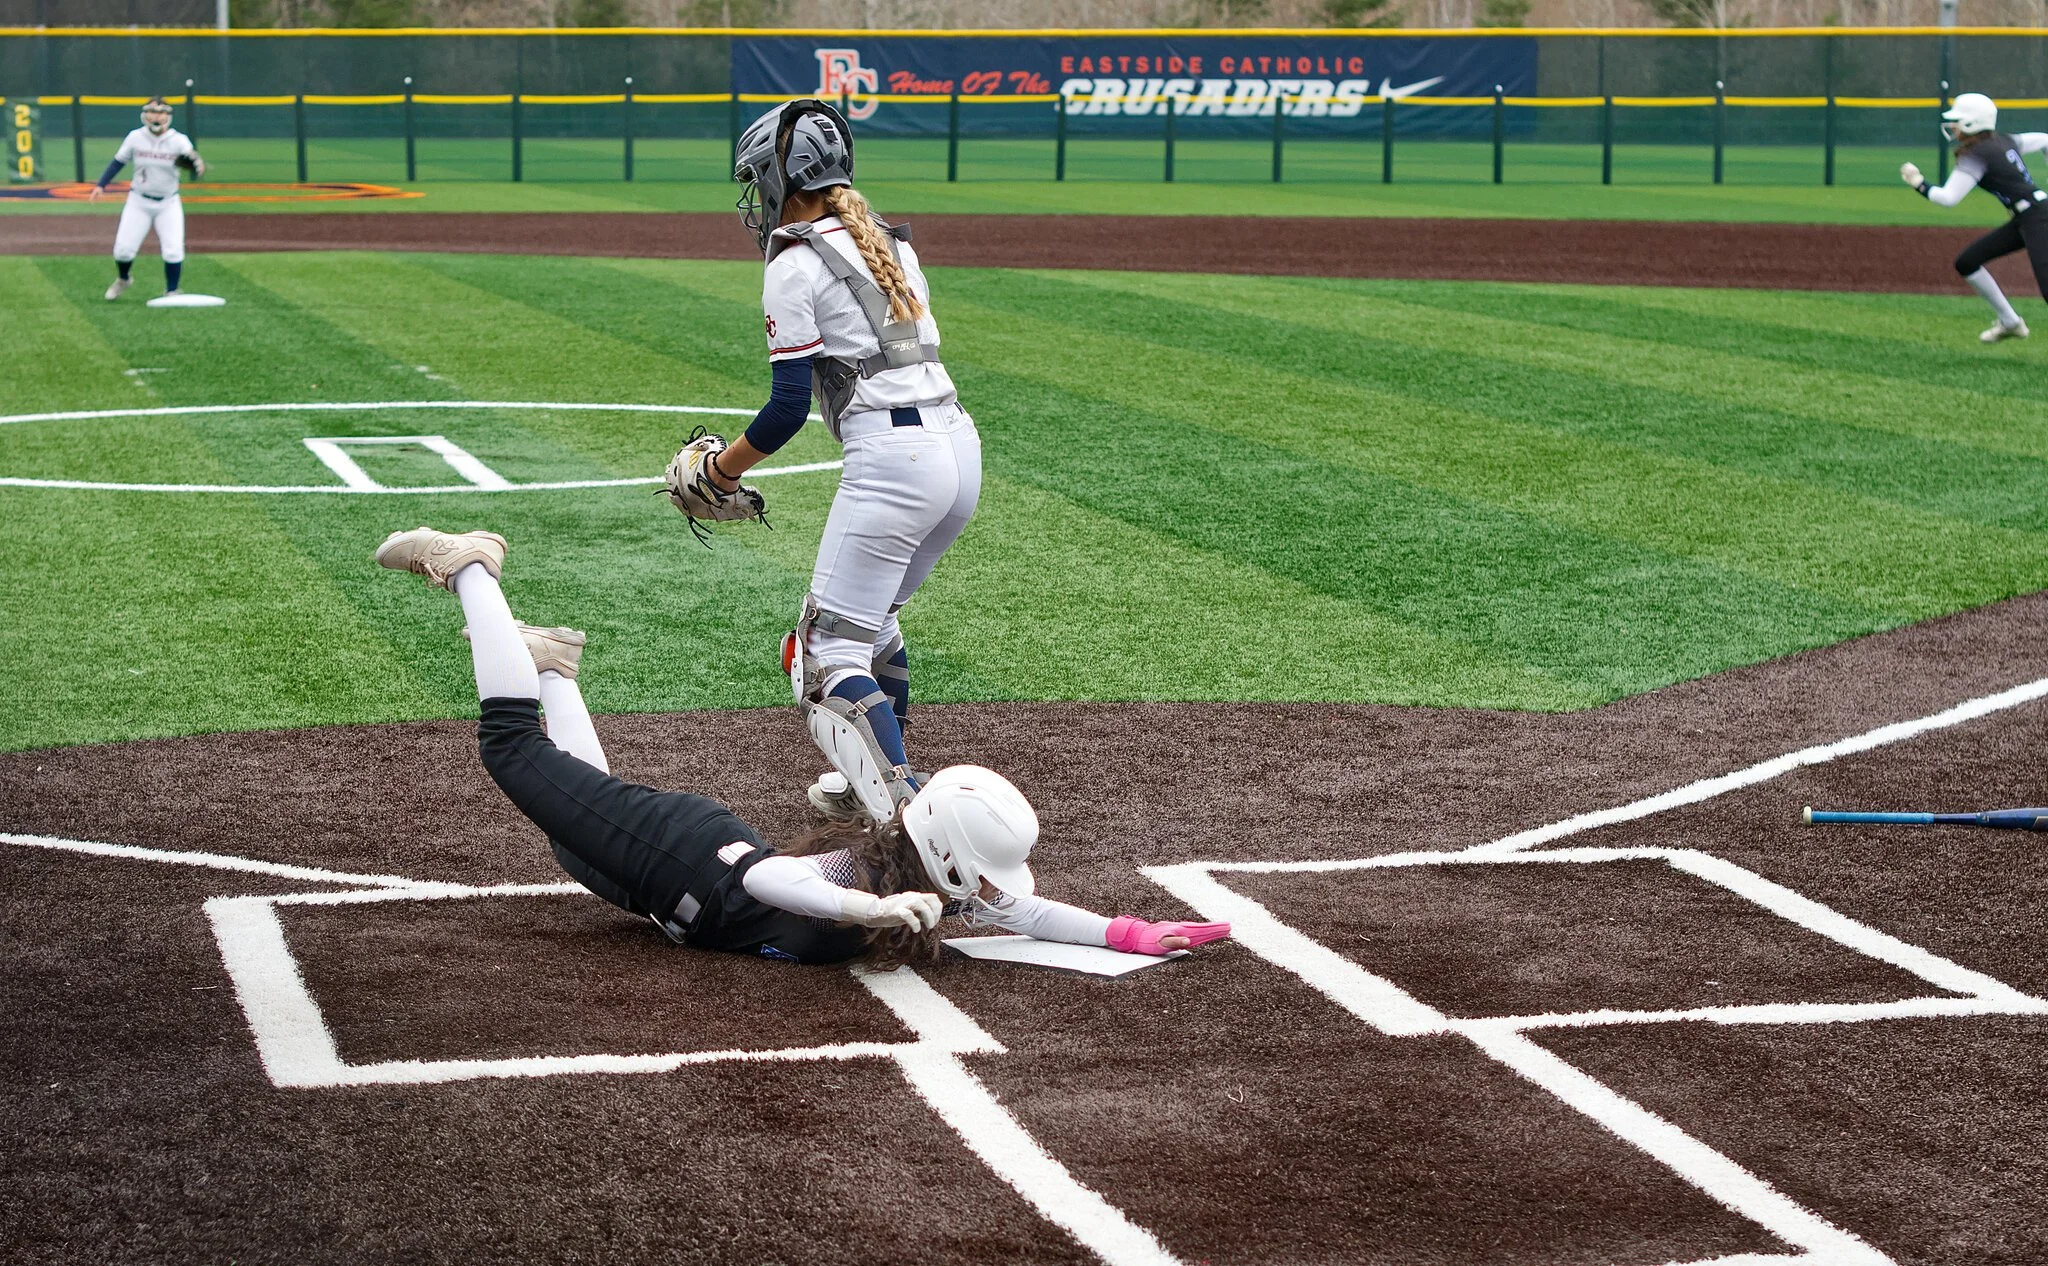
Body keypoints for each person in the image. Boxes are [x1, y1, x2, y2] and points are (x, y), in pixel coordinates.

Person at [373, 526, 1231, 967]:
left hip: (656, 894)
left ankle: (551, 669)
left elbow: (1033, 915)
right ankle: (471, 565)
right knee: (512, 750)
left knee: (572, 820)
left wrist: (1131, 934)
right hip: (682, 859)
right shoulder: (863, 880)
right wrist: (873, 911)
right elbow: (767, 879)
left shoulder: (937, 881)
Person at [663, 98, 975, 829]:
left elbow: (785, 410)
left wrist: (720, 472)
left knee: (826, 651)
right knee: (874, 627)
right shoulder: (892, 246)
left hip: (896, 462)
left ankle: (904, 818)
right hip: (959, 450)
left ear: (781, 175)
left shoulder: (795, 262)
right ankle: (861, 780)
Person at [1902, 91, 2048, 343]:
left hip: (2038, 218)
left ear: (1972, 123)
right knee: (1967, 262)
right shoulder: (2003, 140)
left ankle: (2011, 323)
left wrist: (1919, 184)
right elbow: (2046, 140)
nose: (1953, 125)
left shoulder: (1978, 153)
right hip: (2029, 216)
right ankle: (2010, 322)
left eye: (1958, 120)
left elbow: (1949, 198)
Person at [89, 95, 204, 302]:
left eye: (161, 112)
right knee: (123, 250)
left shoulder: (178, 140)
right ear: (145, 115)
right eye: (152, 112)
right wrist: (101, 185)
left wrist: (197, 165)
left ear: (168, 116)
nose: (156, 116)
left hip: (168, 202)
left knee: (173, 250)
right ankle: (124, 279)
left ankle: (172, 291)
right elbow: (118, 162)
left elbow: (194, 161)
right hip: (139, 201)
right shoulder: (136, 137)